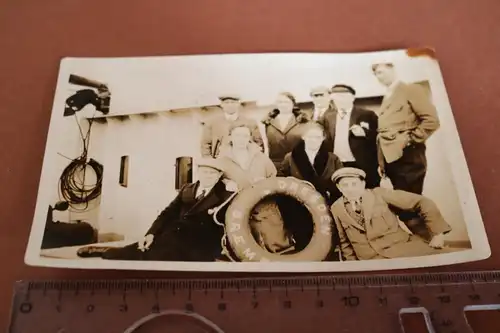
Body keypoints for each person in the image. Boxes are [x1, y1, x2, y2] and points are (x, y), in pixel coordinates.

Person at [77, 158, 234, 262]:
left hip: (198, 244)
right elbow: (167, 213)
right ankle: (105, 251)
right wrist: (151, 233)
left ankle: (106, 252)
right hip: (173, 235)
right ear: (198, 172)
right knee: (145, 248)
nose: (207, 176)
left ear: (219, 175)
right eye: (204, 171)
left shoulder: (225, 194)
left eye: (212, 173)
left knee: (150, 255)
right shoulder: (187, 189)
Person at [330, 167, 452, 261]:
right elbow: (344, 242)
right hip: (370, 260)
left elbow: (422, 202)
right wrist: (353, 266)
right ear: (338, 187)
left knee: (444, 261)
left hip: (401, 250)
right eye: (345, 185)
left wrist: (438, 234)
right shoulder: (336, 208)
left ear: (363, 184)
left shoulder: (379, 194)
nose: (350, 189)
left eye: (354, 184)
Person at [217, 121, 294, 254]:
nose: (241, 139)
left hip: (264, 206)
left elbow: (273, 176)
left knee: (275, 242)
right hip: (236, 207)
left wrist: (265, 182)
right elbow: (216, 180)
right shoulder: (221, 159)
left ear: (249, 138)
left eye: (245, 136)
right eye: (237, 135)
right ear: (230, 137)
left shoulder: (261, 156)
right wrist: (226, 183)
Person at [371, 62, 440, 194]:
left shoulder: (410, 90)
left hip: (408, 156)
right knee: (402, 200)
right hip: (391, 157)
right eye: (376, 74)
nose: (379, 77)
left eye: (381, 72)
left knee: (411, 201)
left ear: (392, 69)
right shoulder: (388, 95)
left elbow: (431, 120)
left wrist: (410, 141)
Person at [328, 84, 380, 189]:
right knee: (341, 193)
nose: (339, 100)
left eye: (343, 97)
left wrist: (365, 133)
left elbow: (379, 136)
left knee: (368, 193)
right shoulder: (328, 117)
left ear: (352, 97)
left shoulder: (367, 114)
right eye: (336, 98)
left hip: (362, 163)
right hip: (338, 164)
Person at [280, 122, 343, 205]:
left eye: (317, 137)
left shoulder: (333, 158)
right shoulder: (291, 157)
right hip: (297, 202)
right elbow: (282, 180)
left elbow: (340, 182)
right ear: (303, 137)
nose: (313, 140)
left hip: (326, 203)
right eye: (310, 137)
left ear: (323, 138)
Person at [200, 94, 264, 158]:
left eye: (233, 102)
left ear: (238, 104)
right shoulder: (212, 123)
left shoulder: (250, 123)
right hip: (220, 162)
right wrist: (211, 163)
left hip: (243, 162)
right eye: (226, 102)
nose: (230, 105)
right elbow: (205, 146)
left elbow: (259, 145)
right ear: (222, 104)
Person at [262, 92, 310, 170]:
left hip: (297, 164)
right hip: (274, 165)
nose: (283, 105)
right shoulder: (267, 122)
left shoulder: (303, 122)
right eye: (280, 102)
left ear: (293, 104)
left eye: (286, 102)